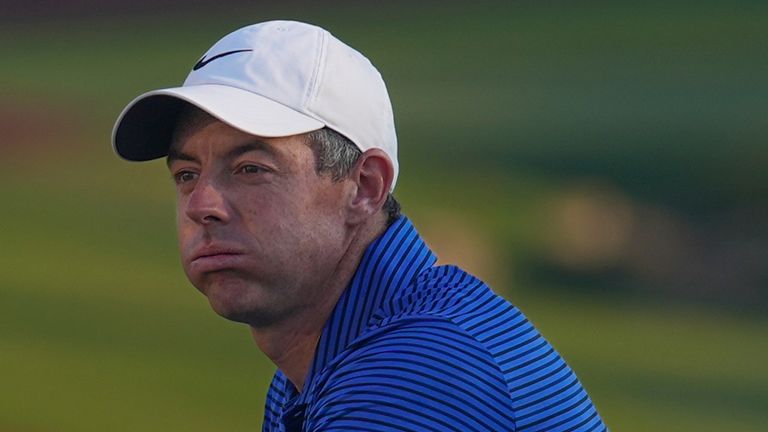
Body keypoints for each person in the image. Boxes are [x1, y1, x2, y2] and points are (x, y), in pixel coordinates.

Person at [112, 20, 606, 432]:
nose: (202, 204)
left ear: (365, 186)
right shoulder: (327, 366)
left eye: (251, 169)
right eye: (186, 174)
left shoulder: (414, 374)